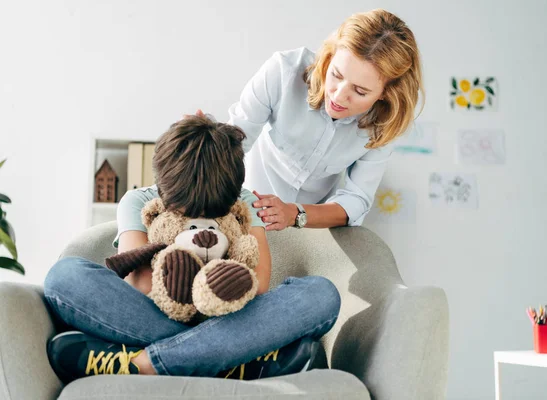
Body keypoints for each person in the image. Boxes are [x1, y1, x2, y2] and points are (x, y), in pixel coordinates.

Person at [44, 115, 341, 382]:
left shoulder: (245, 202)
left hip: (230, 312)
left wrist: (217, 285)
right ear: (162, 191)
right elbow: (140, 285)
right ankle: (236, 361)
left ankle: (146, 363)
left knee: (321, 294)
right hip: (164, 311)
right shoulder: (137, 202)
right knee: (65, 276)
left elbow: (258, 287)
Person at [228, 8, 423, 231]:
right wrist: (199, 143)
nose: (339, 96)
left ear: (386, 92)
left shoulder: (383, 124)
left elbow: (356, 199)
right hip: (245, 212)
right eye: (336, 75)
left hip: (310, 226)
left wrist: (295, 213)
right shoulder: (283, 71)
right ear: (329, 57)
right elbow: (233, 141)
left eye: (360, 91)